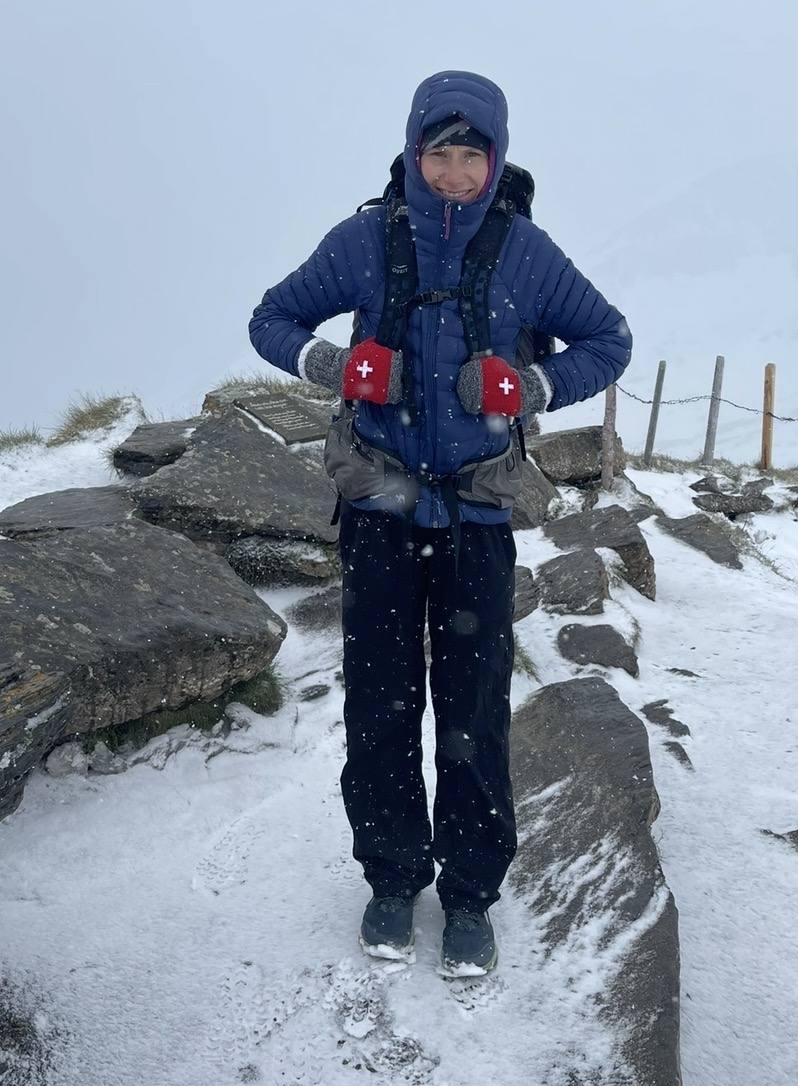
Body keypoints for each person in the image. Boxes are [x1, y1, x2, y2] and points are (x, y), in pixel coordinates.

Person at [249, 70, 631, 976]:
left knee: (473, 713)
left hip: (478, 514)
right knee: (380, 705)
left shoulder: (526, 252)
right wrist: (333, 364)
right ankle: (390, 879)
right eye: (440, 154)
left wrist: (533, 385)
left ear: (496, 159)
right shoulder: (365, 240)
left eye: (473, 156)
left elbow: (610, 339)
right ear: (414, 154)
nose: (456, 173)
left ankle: (468, 895)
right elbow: (272, 317)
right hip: (380, 506)